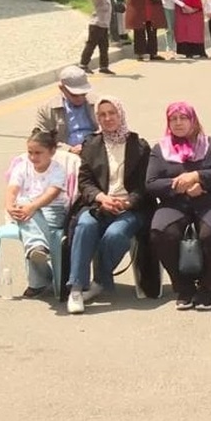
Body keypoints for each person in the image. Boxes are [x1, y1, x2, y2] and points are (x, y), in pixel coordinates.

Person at [146, 102, 211, 311]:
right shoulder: (160, 150)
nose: (178, 123)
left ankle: (207, 286)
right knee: (161, 232)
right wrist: (180, 186)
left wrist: (199, 177)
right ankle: (183, 286)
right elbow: (151, 183)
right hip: (176, 202)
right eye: (173, 119)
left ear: (193, 120)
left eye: (183, 118)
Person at [65, 97, 153, 313]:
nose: (107, 118)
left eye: (112, 113)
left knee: (116, 233)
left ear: (120, 114)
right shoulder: (91, 144)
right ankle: (77, 288)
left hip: (130, 207)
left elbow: (145, 185)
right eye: (102, 115)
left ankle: (100, 281)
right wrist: (101, 198)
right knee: (84, 225)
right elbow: (84, 182)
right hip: (98, 204)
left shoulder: (139, 146)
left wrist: (127, 202)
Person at [4, 131, 68, 298]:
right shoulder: (22, 166)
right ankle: (38, 248)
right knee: (25, 212)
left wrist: (32, 206)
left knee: (29, 225)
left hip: (51, 210)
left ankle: (38, 282)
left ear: (52, 151)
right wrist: (9, 205)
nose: (33, 157)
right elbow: (13, 189)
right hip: (25, 211)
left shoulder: (58, 170)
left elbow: (52, 193)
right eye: (30, 152)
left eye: (38, 152)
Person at [34, 66, 97, 154]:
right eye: (74, 95)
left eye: (83, 94)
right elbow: (42, 139)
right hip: (64, 155)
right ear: (62, 88)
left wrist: (93, 144)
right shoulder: (47, 109)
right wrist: (68, 150)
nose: (80, 98)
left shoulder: (98, 103)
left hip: (95, 151)